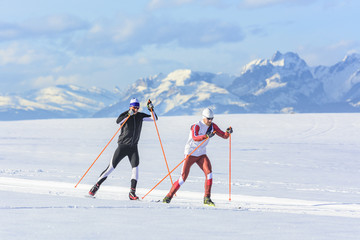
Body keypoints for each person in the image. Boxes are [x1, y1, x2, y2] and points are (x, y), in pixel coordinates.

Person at [89, 98, 157, 200]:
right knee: (111, 168)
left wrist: (151, 109)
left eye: (137, 107)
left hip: (133, 147)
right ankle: (96, 186)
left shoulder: (140, 116)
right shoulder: (126, 114)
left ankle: (132, 193)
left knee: (135, 169)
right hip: (122, 146)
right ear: (130, 106)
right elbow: (118, 121)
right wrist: (128, 114)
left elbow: (154, 119)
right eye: (134, 107)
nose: (136, 109)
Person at [162, 108, 233, 206]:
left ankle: (207, 198)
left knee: (209, 173)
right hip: (190, 153)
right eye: (208, 119)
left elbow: (224, 136)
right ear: (204, 118)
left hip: (201, 154)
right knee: (183, 178)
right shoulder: (196, 126)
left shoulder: (213, 126)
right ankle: (168, 197)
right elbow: (195, 138)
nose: (210, 121)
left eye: (211, 118)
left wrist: (228, 132)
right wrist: (206, 136)